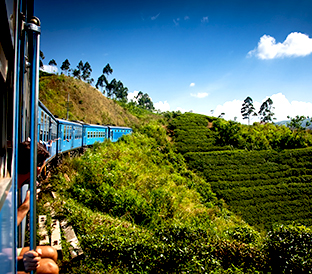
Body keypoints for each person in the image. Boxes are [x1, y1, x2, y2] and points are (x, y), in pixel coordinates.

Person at [17, 141, 59, 274]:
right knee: (50, 268)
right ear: (37, 168)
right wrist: (19, 262)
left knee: (51, 252)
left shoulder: (13, 186)